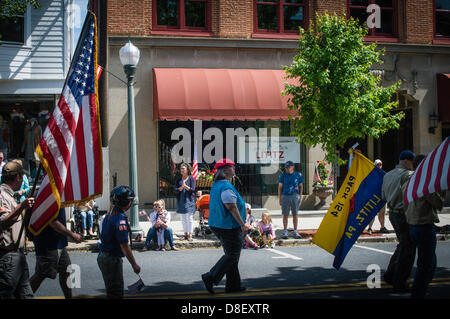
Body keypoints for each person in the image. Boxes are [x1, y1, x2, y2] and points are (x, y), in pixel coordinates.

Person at [201, 158, 248, 294]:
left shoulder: (217, 185)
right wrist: (243, 225)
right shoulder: (225, 186)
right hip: (228, 226)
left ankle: (233, 285)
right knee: (232, 255)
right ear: (226, 170)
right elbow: (231, 207)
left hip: (218, 224)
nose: (234, 169)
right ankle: (210, 277)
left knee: (231, 255)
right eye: (232, 167)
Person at [404, 155, 445, 299]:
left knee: (429, 261)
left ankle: (421, 288)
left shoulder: (409, 180)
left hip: (413, 224)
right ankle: (418, 292)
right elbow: (439, 204)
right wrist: (441, 188)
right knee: (426, 263)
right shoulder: (425, 183)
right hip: (424, 225)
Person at [97, 185, 141, 299]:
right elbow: (124, 245)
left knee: (111, 291)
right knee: (116, 294)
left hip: (104, 256)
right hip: (111, 259)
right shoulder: (120, 219)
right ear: (128, 203)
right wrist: (134, 265)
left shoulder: (109, 215)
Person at [382, 150, 416, 293]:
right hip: (403, 214)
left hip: (393, 214)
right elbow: (410, 196)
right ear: (408, 161)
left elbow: (383, 196)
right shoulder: (408, 175)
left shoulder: (388, 175)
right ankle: (400, 281)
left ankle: (390, 274)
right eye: (412, 162)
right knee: (408, 249)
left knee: (403, 245)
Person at [29, 208, 82, 299]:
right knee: (42, 273)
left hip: (59, 242)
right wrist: (72, 234)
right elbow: (52, 222)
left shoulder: (59, 196)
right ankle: (22, 295)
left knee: (65, 271)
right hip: (48, 243)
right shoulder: (51, 195)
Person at [0, 161, 35, 299]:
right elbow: (3, 222)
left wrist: (24, 208)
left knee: (26, 295)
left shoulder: (10, 196)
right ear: (17, 178)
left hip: (18, 256)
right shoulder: (2, 196)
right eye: (22, 177)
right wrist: (21, 206)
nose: (23, 180)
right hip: (8, 256)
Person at [278, 160, 304, 239]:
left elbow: (301, 185)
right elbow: (280, 187)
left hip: (295, 196)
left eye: (288, 167)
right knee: (285, 214)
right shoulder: (283, 175)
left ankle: (295, 231)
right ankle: (285, 231)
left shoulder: (298, 175)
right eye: (286, 168)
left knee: (295, 214)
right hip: (285, 196)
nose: (287, 169)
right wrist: (279, 198)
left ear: (292, 167)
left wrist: (300, 195)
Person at [175, 163, 196, 241]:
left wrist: (185, 186)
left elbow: (193, 189)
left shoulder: (191, 179)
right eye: (181, 168)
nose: (182, 170)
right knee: (183, 218)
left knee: (189, 218)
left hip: (189, 201)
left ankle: (190, 234)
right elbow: (176, 190)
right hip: (181, 200)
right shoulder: (178, 179)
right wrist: (181, 188)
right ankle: (185, 233)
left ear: (187, 170)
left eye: (183, 168)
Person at [367, 159, 389, 234]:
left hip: (382, 197)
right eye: (377, 164)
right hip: (373, 197)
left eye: (380, 164)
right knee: (372, 214)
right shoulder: (371, 175)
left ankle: (382, 227)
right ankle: (369, 228)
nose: (379, 166)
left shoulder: (384, 175)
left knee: (382, 213)